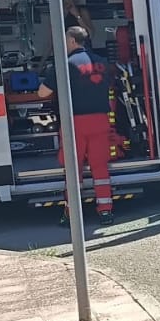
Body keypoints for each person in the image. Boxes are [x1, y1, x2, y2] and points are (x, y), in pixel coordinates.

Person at [38, 26, 117, 226]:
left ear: (73, 41)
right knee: (100, 167)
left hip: (75, 122)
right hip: (100, 119)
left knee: (74, 168)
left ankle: (72, 214)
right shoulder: (102, 62)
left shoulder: (64, 65)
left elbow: (42, 93)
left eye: (65, 40)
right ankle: (106, 211)